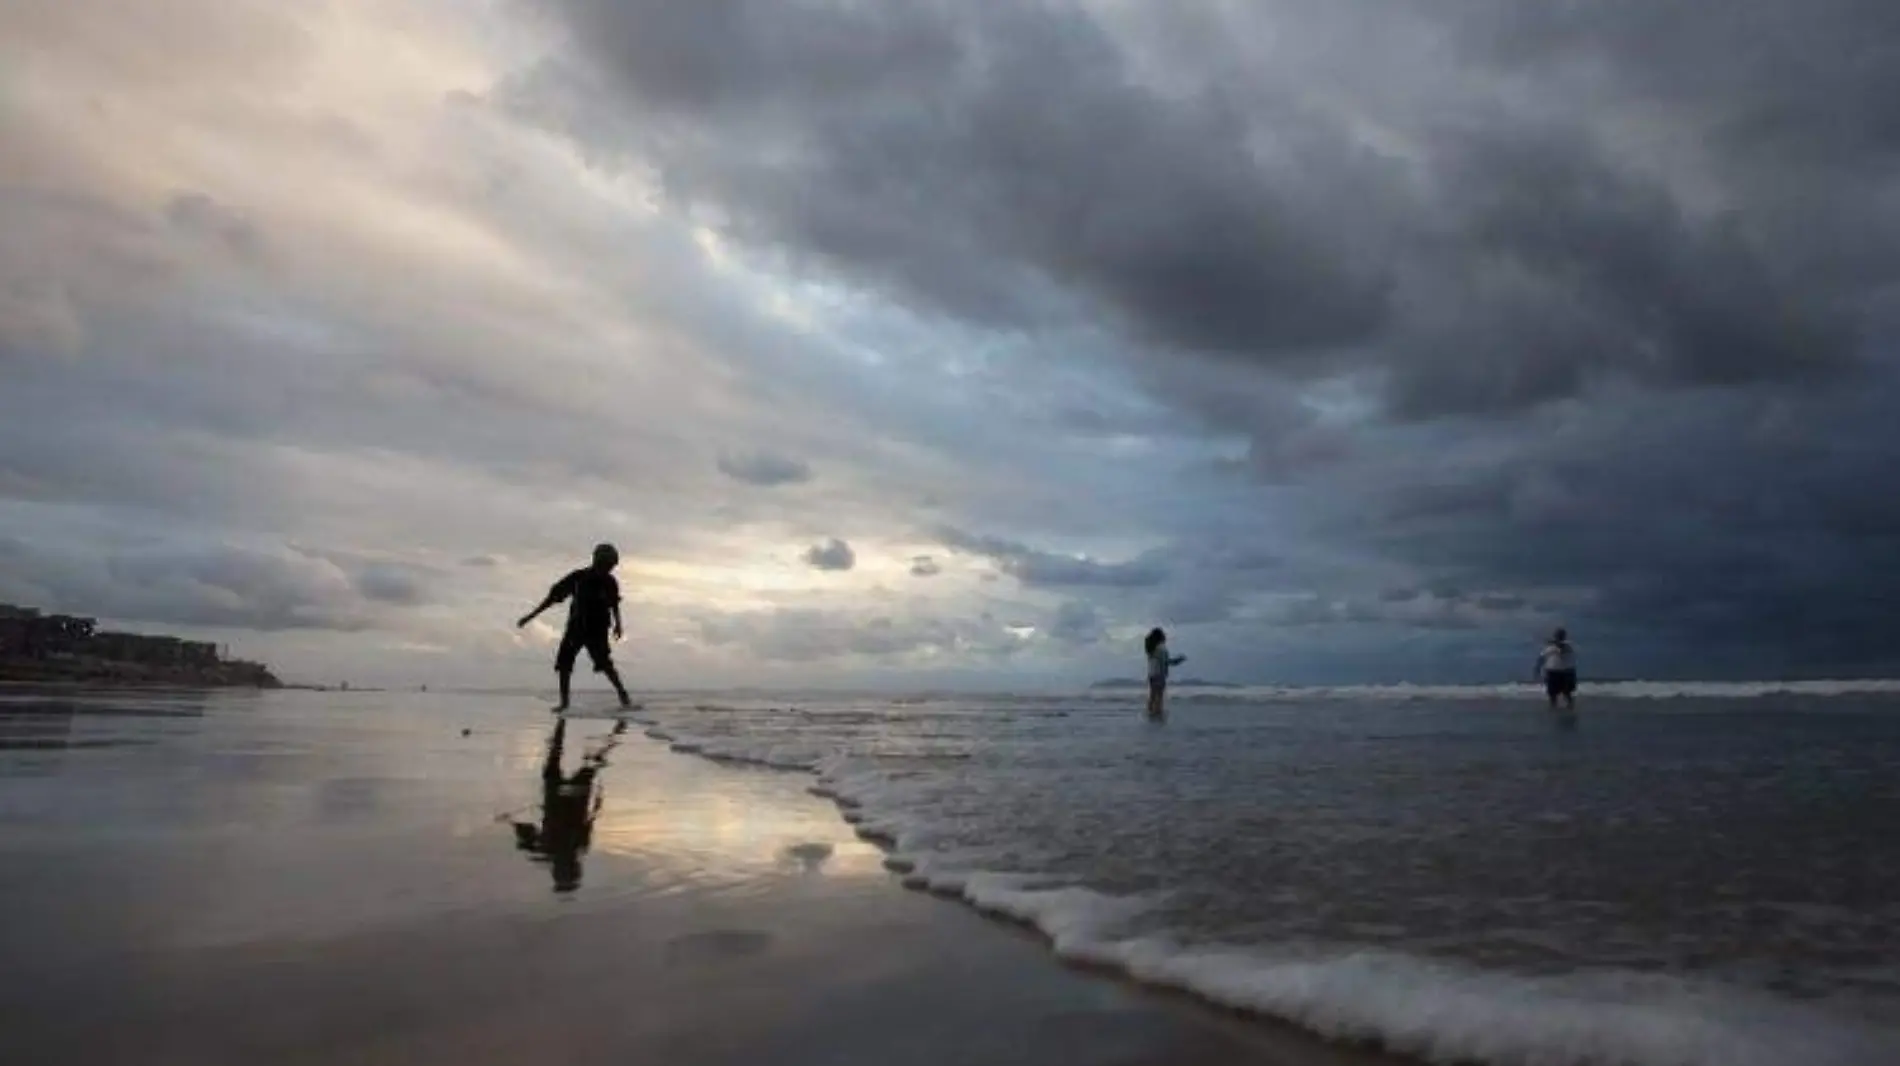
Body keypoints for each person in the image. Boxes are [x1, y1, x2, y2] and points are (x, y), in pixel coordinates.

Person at [510, 718, 626, 893]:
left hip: (574, 796)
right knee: (558, 757)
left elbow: (591, 817)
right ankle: (565, 725)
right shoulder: (546, 850)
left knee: (589, 765)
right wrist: (518, 830)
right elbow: (525, 832)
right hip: (557, 796)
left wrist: (520, 831)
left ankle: (614, 732)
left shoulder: (576, 846)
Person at [518, 543, 631, 711]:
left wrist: (618, 625)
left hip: (598, 629)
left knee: (605, 663)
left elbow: (614, 604)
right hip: (576, 627)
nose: (608, 569)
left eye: (611, 566)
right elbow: (553, 597)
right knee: (564, 663)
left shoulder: (610, 582)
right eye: (606, 565)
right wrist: (531, 615)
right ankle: (565, 703)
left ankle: (623, 694)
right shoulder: (579, 577)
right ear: (596, 561)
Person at [1144, 627, 1186, 720]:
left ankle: (1150, 715)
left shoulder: (1151, 649)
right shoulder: (1161, 648)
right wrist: (1178, 660)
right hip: (1159, 675)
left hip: (1152, 675)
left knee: (1152, 697)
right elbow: (1166, 662)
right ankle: (1157, 716)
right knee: (1159, 698)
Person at [1535, 627, 1578, 710]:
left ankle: (1570, 708)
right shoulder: (1549, 648)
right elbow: (1541, 658)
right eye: (1558, 635)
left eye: (1561, 635)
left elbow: (1562, 650)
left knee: (1567, 693)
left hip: (1566, 672)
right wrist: (1537, 669)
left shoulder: (1569, 646)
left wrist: (1556, 643)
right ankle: (1553, 708)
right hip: (1552, 672)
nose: (1559, 637)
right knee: (1552, 694)